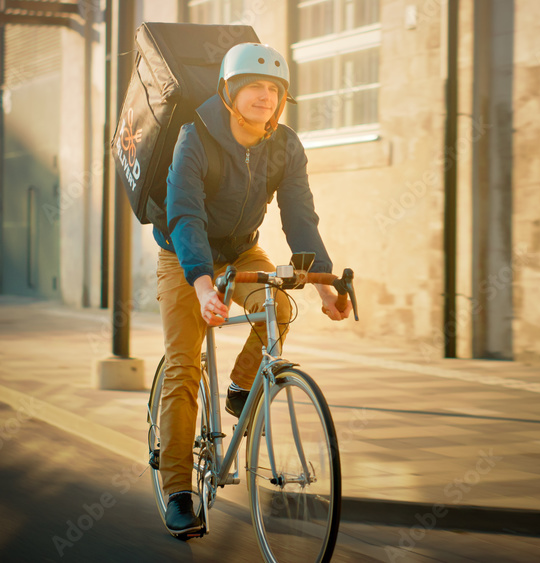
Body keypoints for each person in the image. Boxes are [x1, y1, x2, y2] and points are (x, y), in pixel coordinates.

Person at [152, 42, 353, 538]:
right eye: (253, 87)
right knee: (184, 365)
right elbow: (185, 214)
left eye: (273, 89)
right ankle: (179, 490)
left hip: (242, 249)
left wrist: (323, 282)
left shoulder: (284, 144)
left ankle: (242, 387)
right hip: (184, 253)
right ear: (228, 93)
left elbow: (300, 216)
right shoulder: (194, 137)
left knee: (280, 307)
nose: (264, 96)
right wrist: (202, 285)